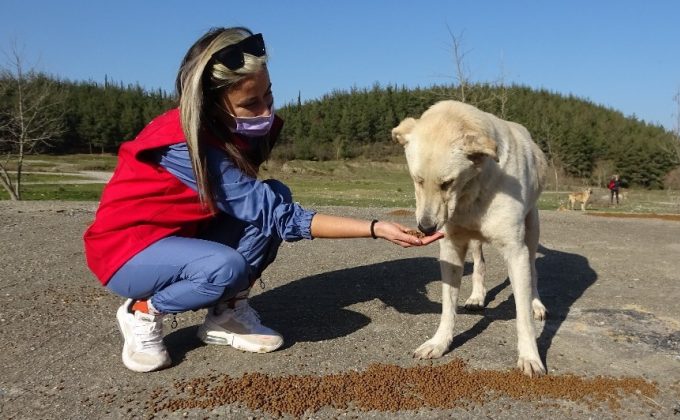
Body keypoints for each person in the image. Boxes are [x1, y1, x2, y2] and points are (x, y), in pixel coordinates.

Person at [83, 27, 442, 373]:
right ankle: (144, 310)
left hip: (184, 235)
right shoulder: (182, 143)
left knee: (275, 192)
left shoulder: (229, 130)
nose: (265, 110)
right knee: (224, 266)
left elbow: (265, 205)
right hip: (128, 250)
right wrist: (375, 228)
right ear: (209, 103)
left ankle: (226, 315)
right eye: (250, 103)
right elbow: (280, 218)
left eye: (268, 95)